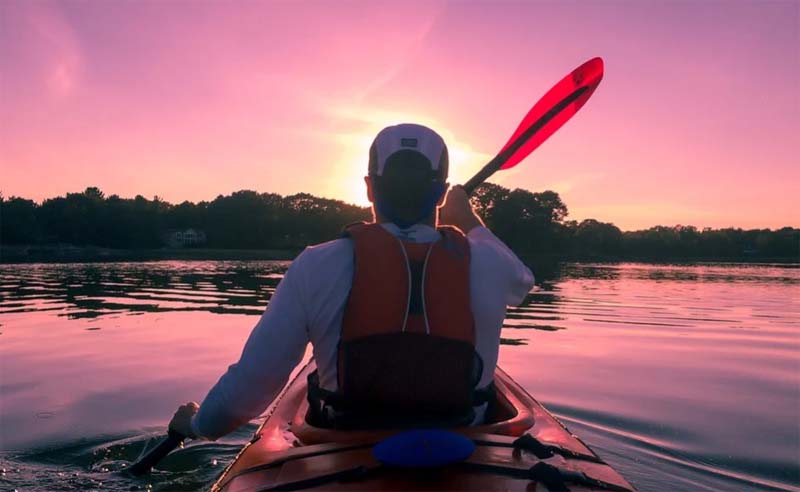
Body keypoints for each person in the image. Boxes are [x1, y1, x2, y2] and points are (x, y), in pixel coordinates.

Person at [168, 123, 535, 439]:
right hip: (465, 445)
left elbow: (248, 391)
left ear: (369, 187)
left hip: (346, 444)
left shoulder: (316, 264)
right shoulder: (491, 263)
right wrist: (467, 218)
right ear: (440, 193)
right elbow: (523, 280)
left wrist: (197, 425)